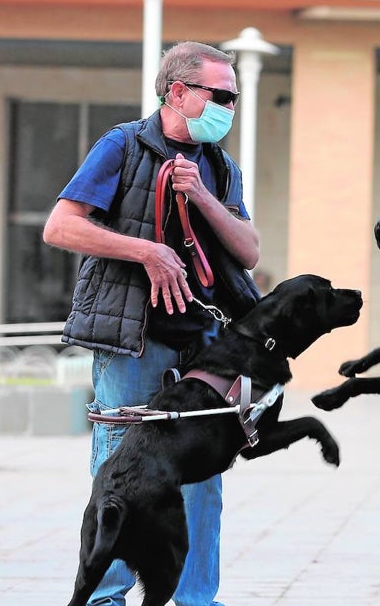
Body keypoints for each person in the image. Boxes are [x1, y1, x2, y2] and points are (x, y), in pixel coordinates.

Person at [43, 41, 260, 606]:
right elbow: (61, 228)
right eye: (222, 96)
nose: (230, 108)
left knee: (203, 480)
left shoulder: (219, 164)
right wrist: (147, 251)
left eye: (234, 98)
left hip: (202, 346)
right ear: (178, 93)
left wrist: (206, 200)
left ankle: (193, 600)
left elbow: (249, 251)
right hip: (131, 339)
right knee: (119, 475)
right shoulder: (122, 145)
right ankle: (105, 598)